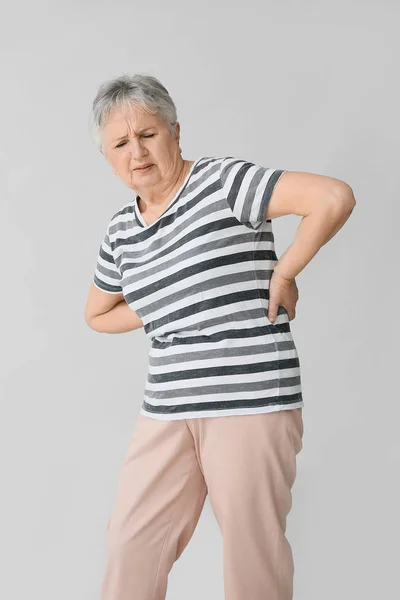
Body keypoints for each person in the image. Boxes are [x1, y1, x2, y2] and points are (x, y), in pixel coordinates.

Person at [84, 73, 356, 600]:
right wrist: (158, 304)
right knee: (130, 545)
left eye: (148, 134)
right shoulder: (121, 230)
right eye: (120, 143)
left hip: (249, 401)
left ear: (176, 132)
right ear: (109, 157)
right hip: (166, 409)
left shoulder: (222, 183)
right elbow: (97, 313)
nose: (136, 151)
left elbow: (332, 197)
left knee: (252, 555)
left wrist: (284, 273)